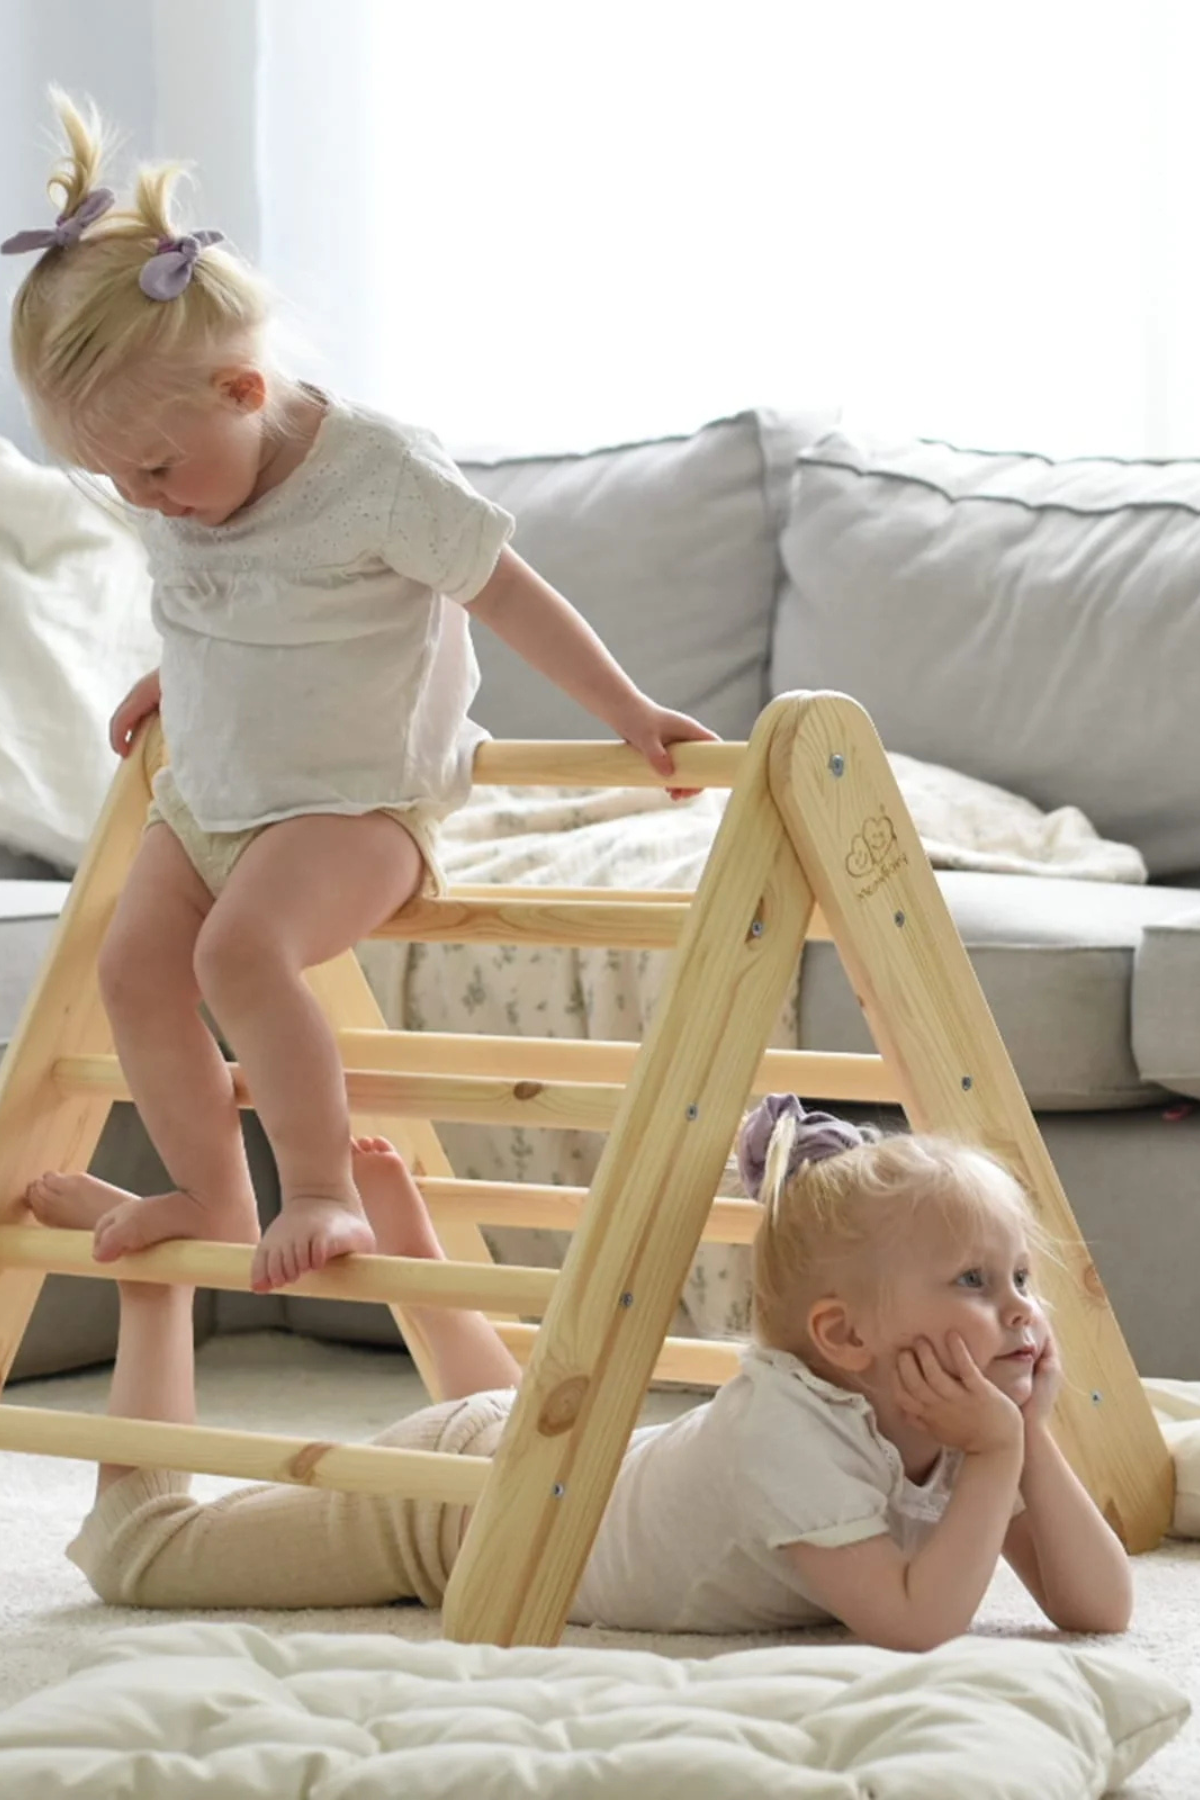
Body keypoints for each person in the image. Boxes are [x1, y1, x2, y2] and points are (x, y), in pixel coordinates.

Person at [2, 92, 716, 1295]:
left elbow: (507, 591)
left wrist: (630, 709)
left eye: (158, 468)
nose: (147, 499)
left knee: (241, 956)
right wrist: (170, 672)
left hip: (355, 806)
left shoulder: (375, 477)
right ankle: (210, 1195)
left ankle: (320, 1187)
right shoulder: (183, 483)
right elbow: (226, 601)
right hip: (214, 797)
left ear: (241, 390)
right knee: (134, 970)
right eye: (113, 478)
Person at [29, 1095, 1133, 1648]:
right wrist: (997, 1456)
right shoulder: (786, 1434)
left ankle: (422, 1268)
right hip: (461, 1516)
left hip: (553, 1460)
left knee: (506, 1416)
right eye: (978, 1282)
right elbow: (912, 1623)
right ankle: (152, 1287)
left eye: (1021, 1276)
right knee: (145, 1561)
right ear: (845, 1340)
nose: (1024, 1309)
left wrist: (1025, 1440)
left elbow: (1098, 1609)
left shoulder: (963, 1419)